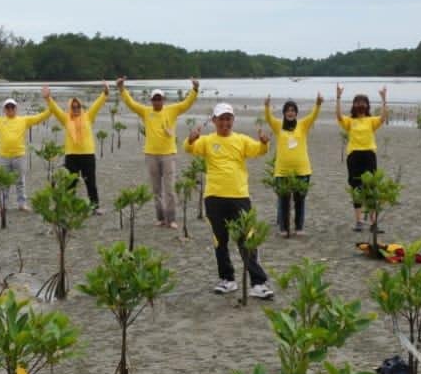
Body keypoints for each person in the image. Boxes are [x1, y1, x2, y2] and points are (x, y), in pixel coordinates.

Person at [185, 103, 274, 298]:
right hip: (214, 197)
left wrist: (264, 142)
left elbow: (259, 150)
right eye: (221, 119)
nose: (225, 122)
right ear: (214, 121)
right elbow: (190, 148)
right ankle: (228, 279)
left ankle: (258, 283)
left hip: (239, 197)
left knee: (247, 239)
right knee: (220, 240)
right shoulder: (207, 141)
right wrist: (191, 139)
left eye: (228, 119)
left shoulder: (241, 140)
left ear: (233, 120)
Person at [118, 76, 199, 229]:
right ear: (151, 101)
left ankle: (171, 219)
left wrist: (194, 89)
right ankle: (160, 218)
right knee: (156, 189)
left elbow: (186, 104)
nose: (157, 102)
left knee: (169, 189)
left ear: (164, 99)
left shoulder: (172, 110)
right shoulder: (146, 112)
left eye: (159, 99)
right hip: (151, 155)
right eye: (154, 99)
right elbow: (131, 103)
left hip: (168, 155)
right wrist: (122, 89)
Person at [0, 97, 52, 211]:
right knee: (3, 182)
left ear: (16, 108)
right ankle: (3, 205)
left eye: (12, 107)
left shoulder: (24, 120)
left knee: (20, 182)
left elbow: (39, 118)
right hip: (4, 157)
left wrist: (52, 109)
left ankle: (22, 204)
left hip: (19, 156)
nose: (10, 109)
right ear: (4, 109)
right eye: (8, 107)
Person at [41, 83, 110, 210]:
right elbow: (55, 109)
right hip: (71, 156)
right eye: (73, 107)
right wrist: (47, 98)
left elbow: (97, 105)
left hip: (88, 155)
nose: (76, 109)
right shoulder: (66, 118)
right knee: (71, 183)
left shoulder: (88, 116)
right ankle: (69, 206)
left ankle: (95, 207)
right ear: (70, 108)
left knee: (91, 183)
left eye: (78, 107)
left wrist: (105, 93)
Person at [263, 93, 323, 237]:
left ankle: (299, 228)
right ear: (284, 113)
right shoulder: (278, 126)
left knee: (299, 200)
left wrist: (318, 104)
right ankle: (284, 229)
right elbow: (269, 119)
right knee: (284, 201)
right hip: (282, 171)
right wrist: (266, 106)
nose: (290, 113)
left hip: (302, 170)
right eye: (288, 110)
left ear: (296, 113)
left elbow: (313, 116)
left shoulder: (302, 125)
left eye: (293, 110)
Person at [335, 85, 388, 231]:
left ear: (367, 105)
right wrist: (338, 97)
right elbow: (339, 116)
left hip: (369, 156)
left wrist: (384, 99)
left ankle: (373, 223)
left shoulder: (371, 120)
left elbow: (383, 118)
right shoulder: (350, 121)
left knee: (371, 188)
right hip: (354, 157)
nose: (361, 105)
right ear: (353, 105)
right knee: (356, 188)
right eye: (358, 102)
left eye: (363, 103)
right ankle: (358, 221)